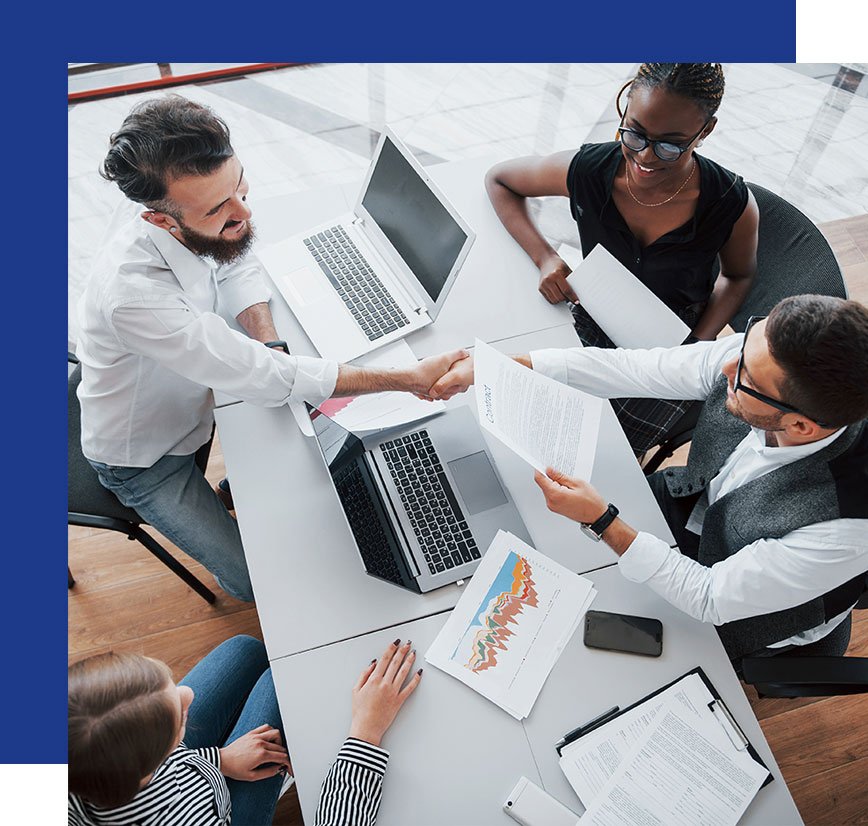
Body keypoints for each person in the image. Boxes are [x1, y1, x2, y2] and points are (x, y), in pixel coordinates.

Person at [76, 95, 466, 602]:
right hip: (146, 459)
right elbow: (265, 377)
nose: (243, 209)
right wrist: (405, 379)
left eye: (239, 184)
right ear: (160, 221)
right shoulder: (132, 297)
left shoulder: (188, 210)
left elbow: (234, 257)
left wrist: (268, 339)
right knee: (256, 585)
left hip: (198, 405)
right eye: (218, 207)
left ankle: (232, 491)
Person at [430, 295, 868, 662]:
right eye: (743, 345)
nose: (725, 368)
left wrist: (604, 521)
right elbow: (640, 369)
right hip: (699, 505)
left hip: (741, 608)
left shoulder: (845, 530)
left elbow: (710, 597)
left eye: (744, 380)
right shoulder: (756, 362)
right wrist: (506, 367)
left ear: (801, 427)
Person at [485, 62, 759, 456]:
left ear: (705, 132)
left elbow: (738, 276)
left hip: (671, 343)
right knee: (525, 419)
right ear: (624, 110)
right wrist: (545, 258)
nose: (645, 157)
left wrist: (697, 343)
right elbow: (499, 180)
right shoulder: (590, 171)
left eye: (670, 144)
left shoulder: (731, 203)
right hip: (594, 311)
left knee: (600, 455)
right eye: (635, 134)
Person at [68, 635, 420, 825]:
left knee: (245, 651)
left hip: (186, 775)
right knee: (279, 684)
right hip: (213, 810)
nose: (187, 693)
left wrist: (217, 759)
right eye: (178, 712)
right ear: (150, 767)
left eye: (170, 683)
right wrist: (366, 732)